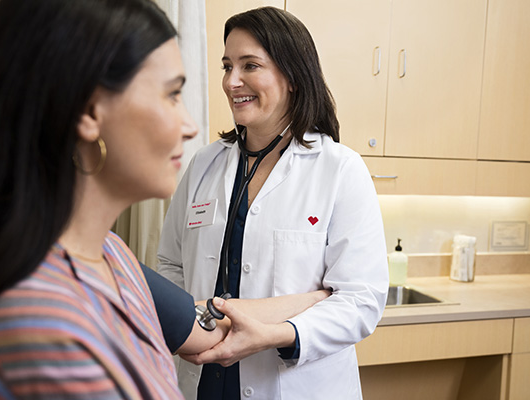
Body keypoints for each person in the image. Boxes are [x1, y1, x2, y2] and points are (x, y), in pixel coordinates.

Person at [0, 1, 328, 398]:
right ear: (90, 112)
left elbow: (204, 323)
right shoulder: (44, 327)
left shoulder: (113, 257)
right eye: (171, 94)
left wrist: (317, 300)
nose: (189, 125)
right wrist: (320, 296)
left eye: (249, 66)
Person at [157, 6, 389, 400]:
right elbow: (171, 264)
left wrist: (278, 333)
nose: (233, 81)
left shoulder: (339, 169)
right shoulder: (203, 165)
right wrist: (191, 327)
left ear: (294, 77)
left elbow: (361, 299)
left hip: (293, 382)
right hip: (202, 378)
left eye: (251, 65)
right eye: (227, 66)